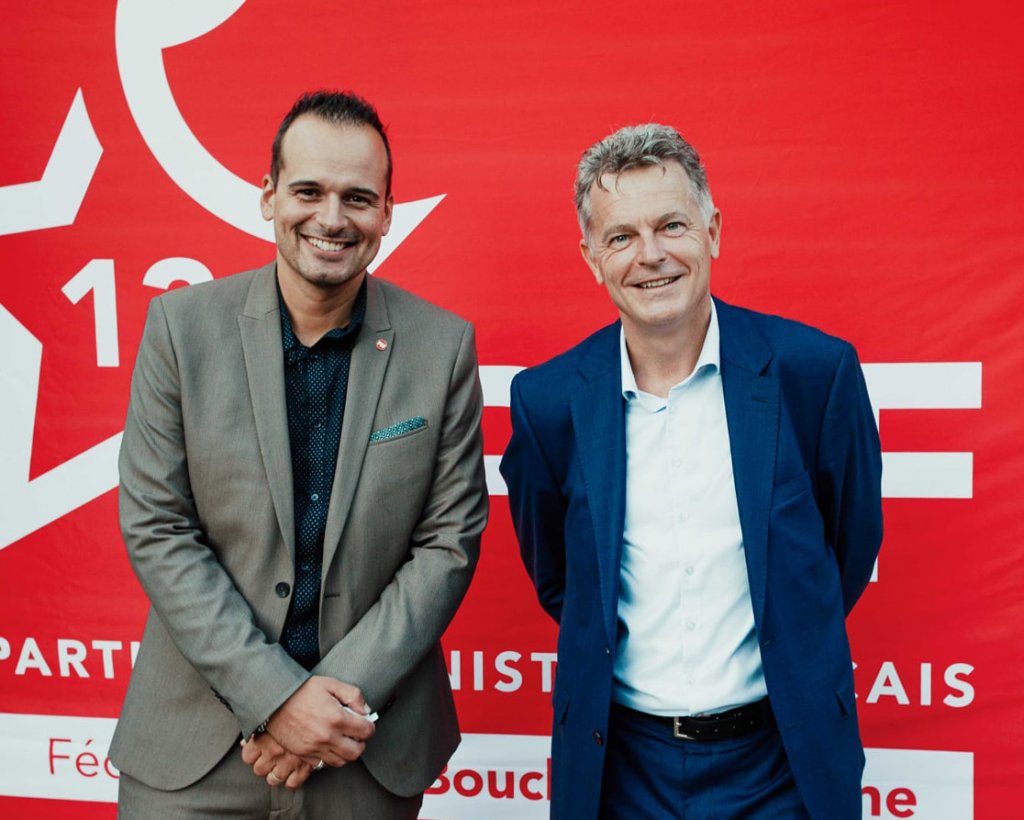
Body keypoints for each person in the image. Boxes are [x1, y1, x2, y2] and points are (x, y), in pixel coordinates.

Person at [110, 90, 488, 818]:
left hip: (362, 745)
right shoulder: (180, 329)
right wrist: (276, 697)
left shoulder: (442, 348)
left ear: (386, 213)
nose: (331, 218)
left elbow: (449, 544)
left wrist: (324, 713)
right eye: (308, 191)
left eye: (358, 197)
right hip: (196, 752)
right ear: (268, 196)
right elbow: (158, 528)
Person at [500, 124, 882, 819]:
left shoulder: (813, 374)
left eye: (671, 225)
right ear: (591, 258)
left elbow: (844, 553)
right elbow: (562, 582)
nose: (651, 255)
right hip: (621, 768)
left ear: (712, 231)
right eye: (621, 237)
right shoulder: (547, 402)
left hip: (782, 765)